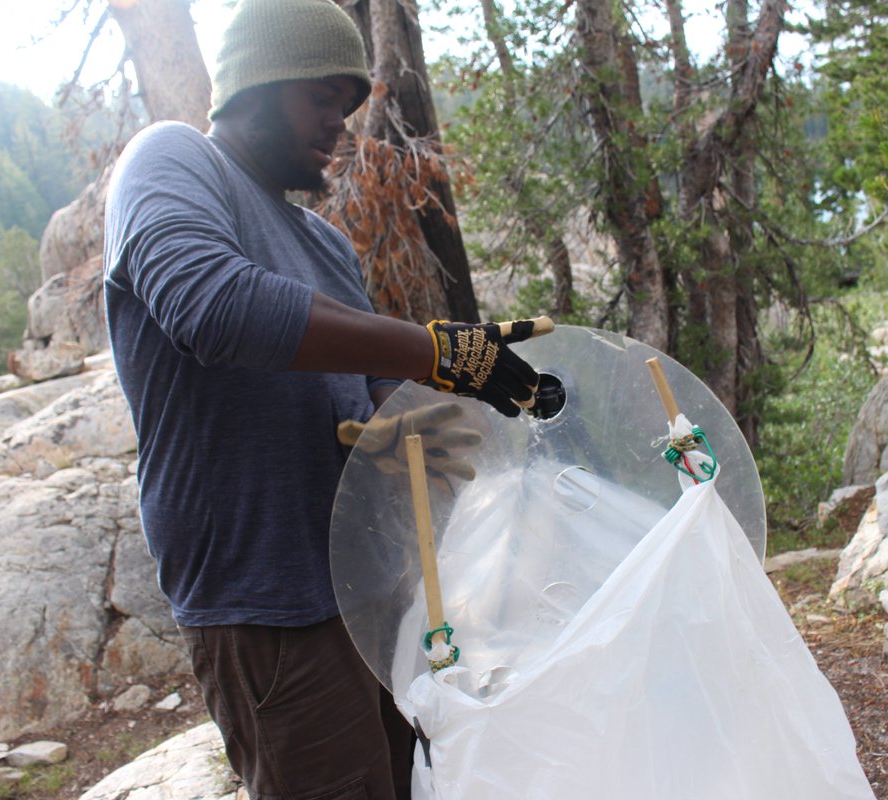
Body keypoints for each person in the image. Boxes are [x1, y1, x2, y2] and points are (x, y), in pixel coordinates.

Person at [102, 0, 550, 797]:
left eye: (349, 108)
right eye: (322, 99)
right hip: (269, 602)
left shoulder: (325, 244)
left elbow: (384, 405)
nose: (341, 127)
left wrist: (470, 441)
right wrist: (436, 348)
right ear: (257, 84)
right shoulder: (172, 161)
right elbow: (213, 307)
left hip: (375, 595)